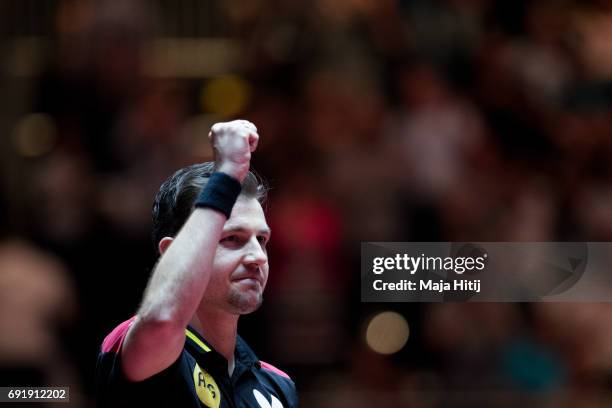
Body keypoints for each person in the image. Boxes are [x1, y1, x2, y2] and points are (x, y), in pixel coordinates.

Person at [96, 120, 298, 407]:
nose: (258, 256)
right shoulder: (141, 348)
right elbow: (163, 318)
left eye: (261, 239)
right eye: (231, 238)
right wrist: (227, 174)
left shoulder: (277, 385)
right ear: (172, 252)